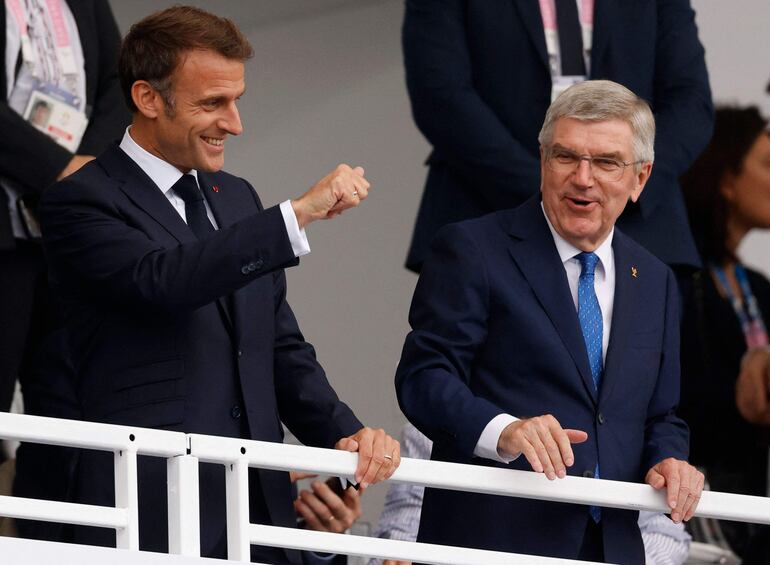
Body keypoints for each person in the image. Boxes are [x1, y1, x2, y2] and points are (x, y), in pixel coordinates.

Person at [38, 6, 400, 564]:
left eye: (237, 101)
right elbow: (162, 280)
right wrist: (297, 214)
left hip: (253, 502)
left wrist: (346, 437)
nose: (234, 123)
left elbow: (277, 345)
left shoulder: (236, 198)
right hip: (147, 505)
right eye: (212, 103)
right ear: (148, 98)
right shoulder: (82, 199)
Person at [395, 80, 704, 564]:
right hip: (492, 542)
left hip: (613, 548)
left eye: (605, 162)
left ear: (640, 178)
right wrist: (504, 431)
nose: (583, 178)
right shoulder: (473, 250)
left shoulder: (657, 280)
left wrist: (669, 461)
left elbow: (660, 415)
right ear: (542, 162)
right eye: (565, 157)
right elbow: (423, 377)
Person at [402, 0, 713, 274]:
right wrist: (550, 187)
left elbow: (691, 103)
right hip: (487, 214)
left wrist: (620, 179)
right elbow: (440, 96)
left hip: (638, 229)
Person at [0, 0, 129, 418]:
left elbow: (119, 81)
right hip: (6, 230)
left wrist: (87, 167)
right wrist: (56, 167)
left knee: (70, 404)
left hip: (67, 234)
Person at [367, 425, 692, 565]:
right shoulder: (438, 425)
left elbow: (667, 531)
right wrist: (399, 556)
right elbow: (406, 519)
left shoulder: (620, 429)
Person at [679, 106, 770, 562]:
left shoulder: (758, 286)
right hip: (701, 506)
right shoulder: (677, 281)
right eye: (767, 164)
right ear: (727, 181)